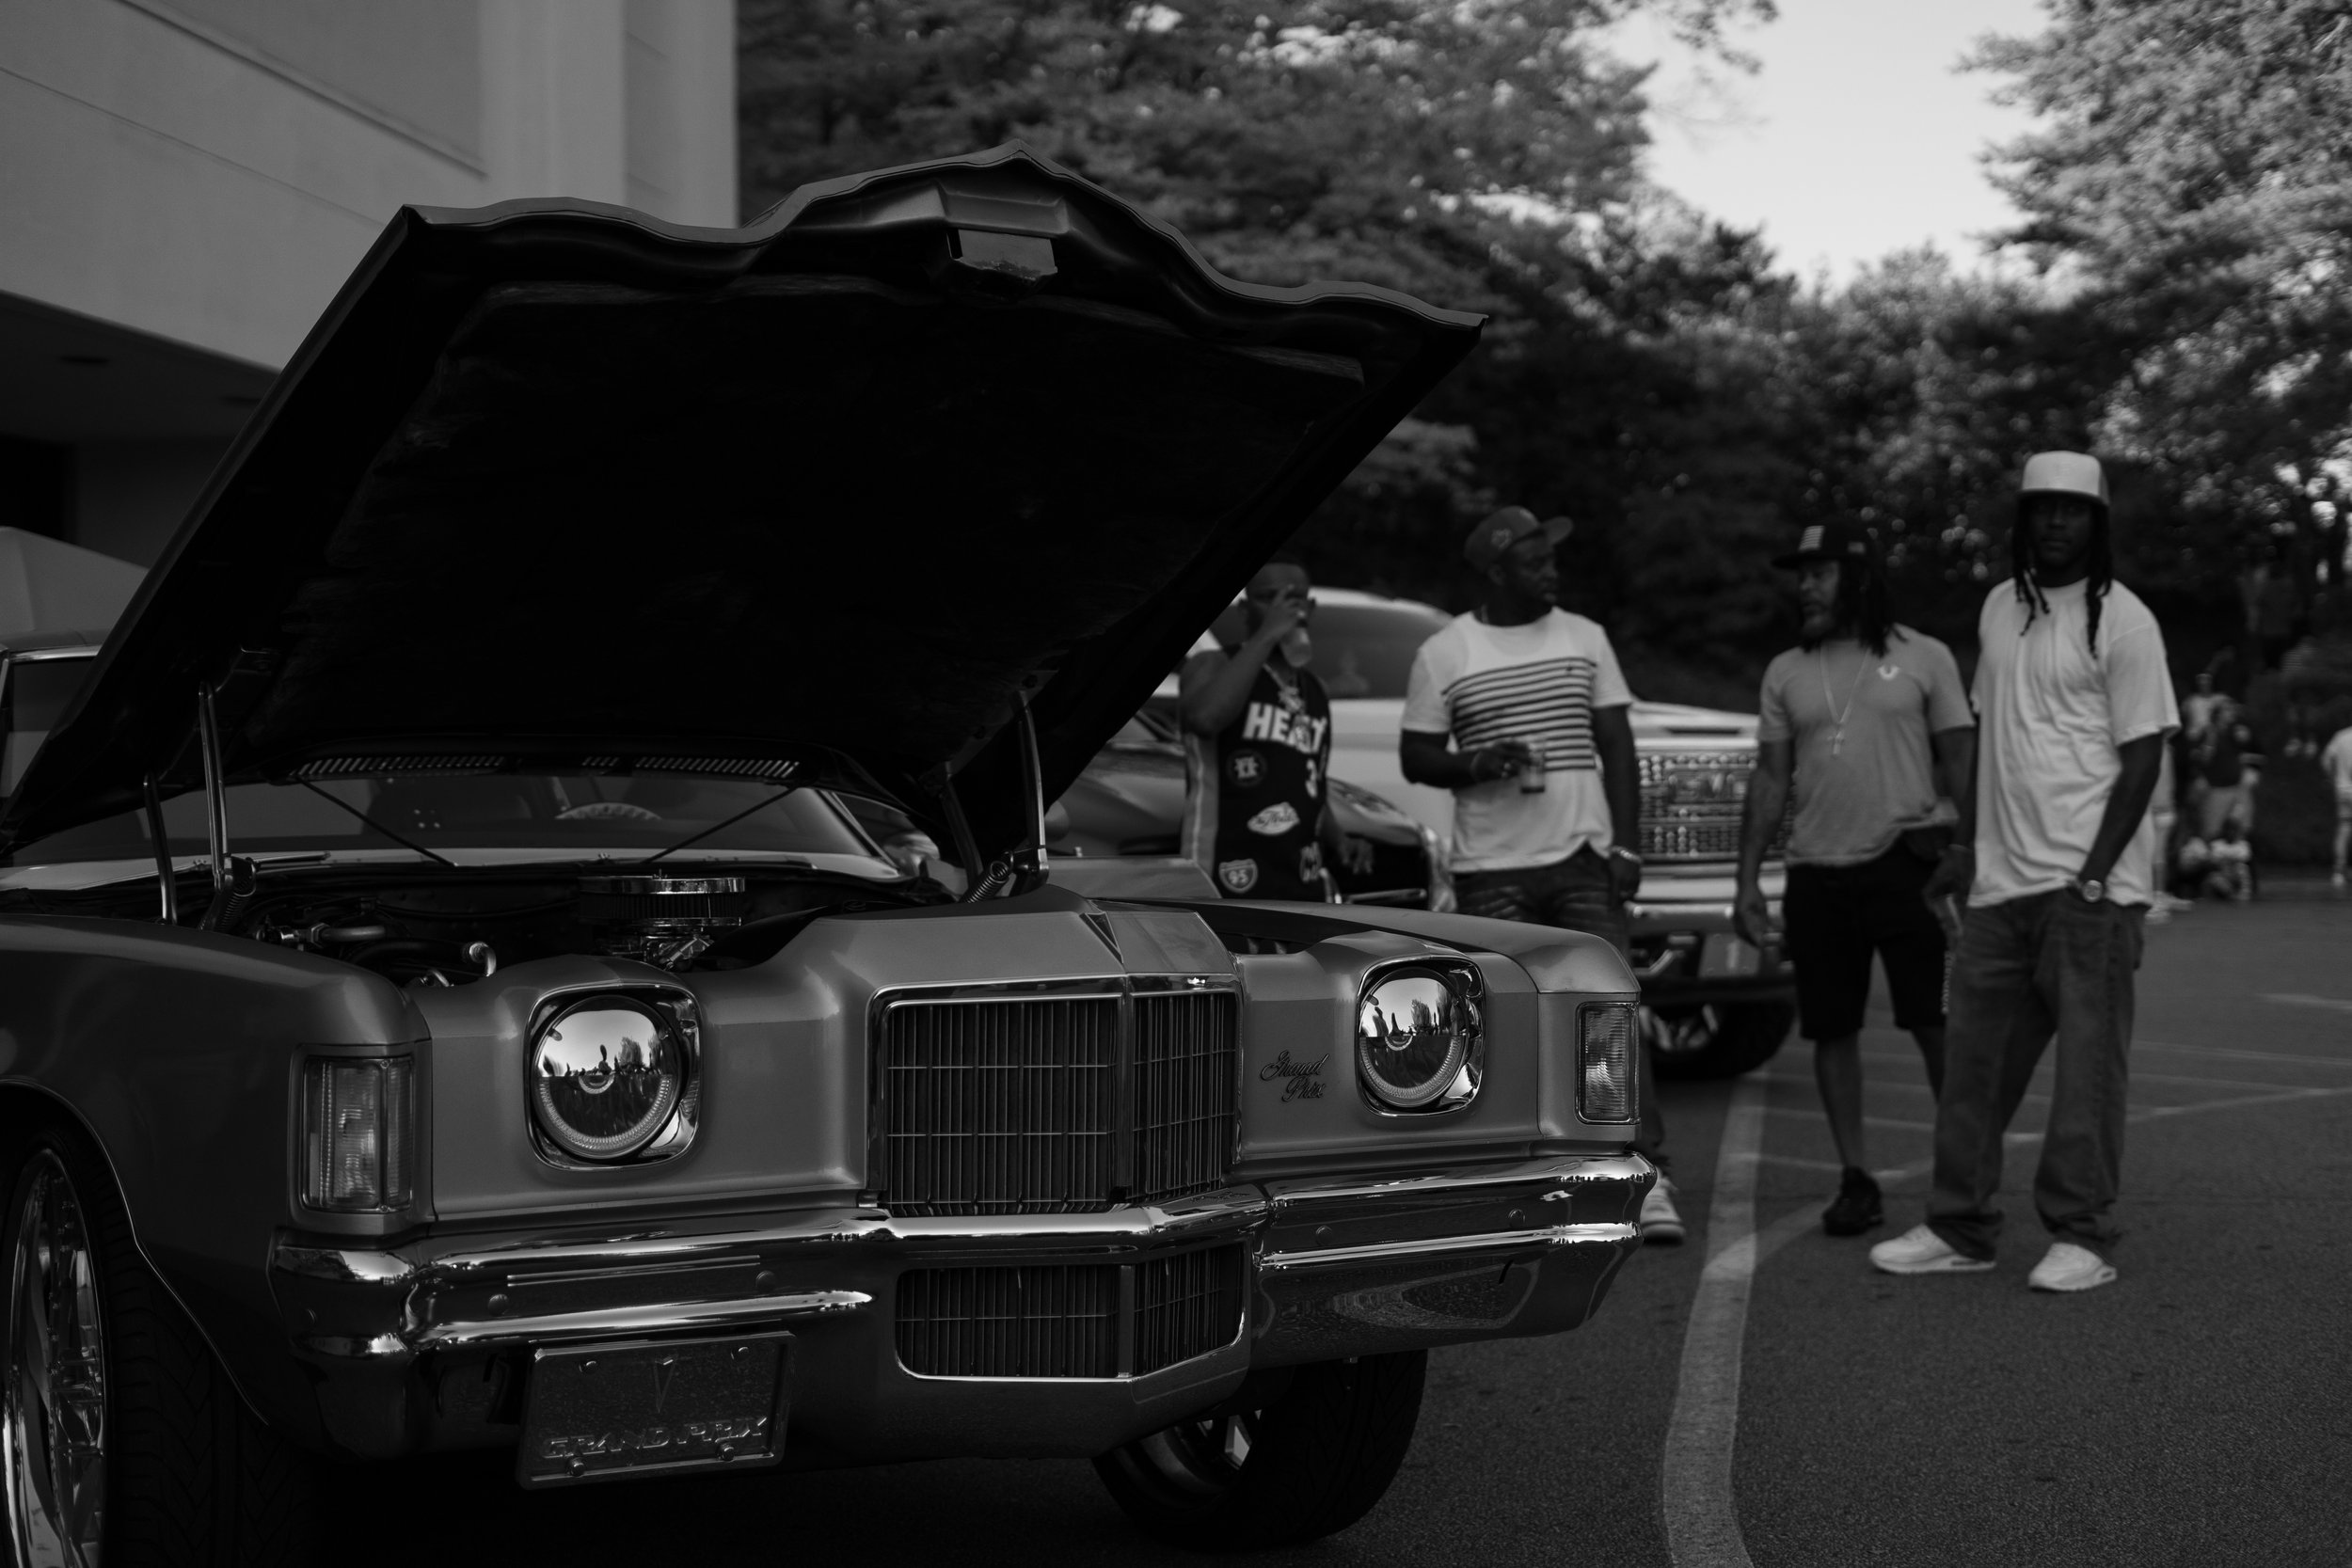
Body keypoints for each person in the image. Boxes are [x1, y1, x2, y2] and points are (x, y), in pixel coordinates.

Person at [1871, 451, 2177, 1294]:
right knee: (1975, 1068)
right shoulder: (1999, 609)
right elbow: (1989, 741)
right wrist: (1968, 851)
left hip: (2088, 890)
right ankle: (1960, 1226)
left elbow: (2144, 756)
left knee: (2087, 1074)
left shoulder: (2125, 620)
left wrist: (2093, 874)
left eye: (2072, 511)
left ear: (2097, 524)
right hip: (2002, 886)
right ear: (2023, 519)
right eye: (2041, 508)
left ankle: (2082, 1232)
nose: (2054, 523)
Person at [1397, 506, 1684, 1243]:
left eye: (1552, 556)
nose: (1551, 568)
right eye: (1534, 559)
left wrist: (1627, 845)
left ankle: (1645, 1177)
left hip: (1583, 857)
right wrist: (1477, 762)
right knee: (1507, 1028)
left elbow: (1616, 743)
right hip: (1493, 866)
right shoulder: (1445, 651)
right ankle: (1522, 1181)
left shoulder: (1584, 637)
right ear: (1497, 571)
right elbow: (1416, 756)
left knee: (1609, 1019)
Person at [1733, 519, 1974, 1237]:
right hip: (1815, 871)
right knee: (1831, 1030)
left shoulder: (1924, 656)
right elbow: (1771, 780)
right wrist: (1747, 879)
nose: (1803, 585)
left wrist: (1969, 849)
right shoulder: (1786, 670)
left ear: (1860, 577)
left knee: (1934, 1023)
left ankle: (1965, 1176)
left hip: (1907, 863)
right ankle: (1856, 1177)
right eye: (1799, 573)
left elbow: (1962, 760)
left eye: (1819, 571)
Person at [1180, 560, 1370, 899]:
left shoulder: (1315, 689)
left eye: (1293, 599)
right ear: (1244, 608)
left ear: (1309, 608)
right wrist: (1268, 633)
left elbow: (1310, 780)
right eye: (1268, 598)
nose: (1281, 609)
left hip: (1300, 873)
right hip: (1224, 868)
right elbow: (1204, 720)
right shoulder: (1212, 664)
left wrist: (1339, 838)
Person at [2191, 695, 2263, 842]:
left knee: (2242, 829)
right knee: (2211, 832)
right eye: (2227, 710)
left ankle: (2239, 861)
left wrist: (2249, 763)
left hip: (2239, 789)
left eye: (2232, 710)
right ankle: (2211, 861)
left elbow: (2258, 752)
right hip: (2218, 789)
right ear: (2218, 713)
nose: (2232, 713)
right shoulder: (2209, 732)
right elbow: (2200, 759)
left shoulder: (2238, 731)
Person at [2321, 721, 2352, 889]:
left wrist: (2333, 779)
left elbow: (2326, 760)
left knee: (2345, 827)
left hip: (2343, 789)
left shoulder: (2341, 736)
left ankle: (2339, 871)